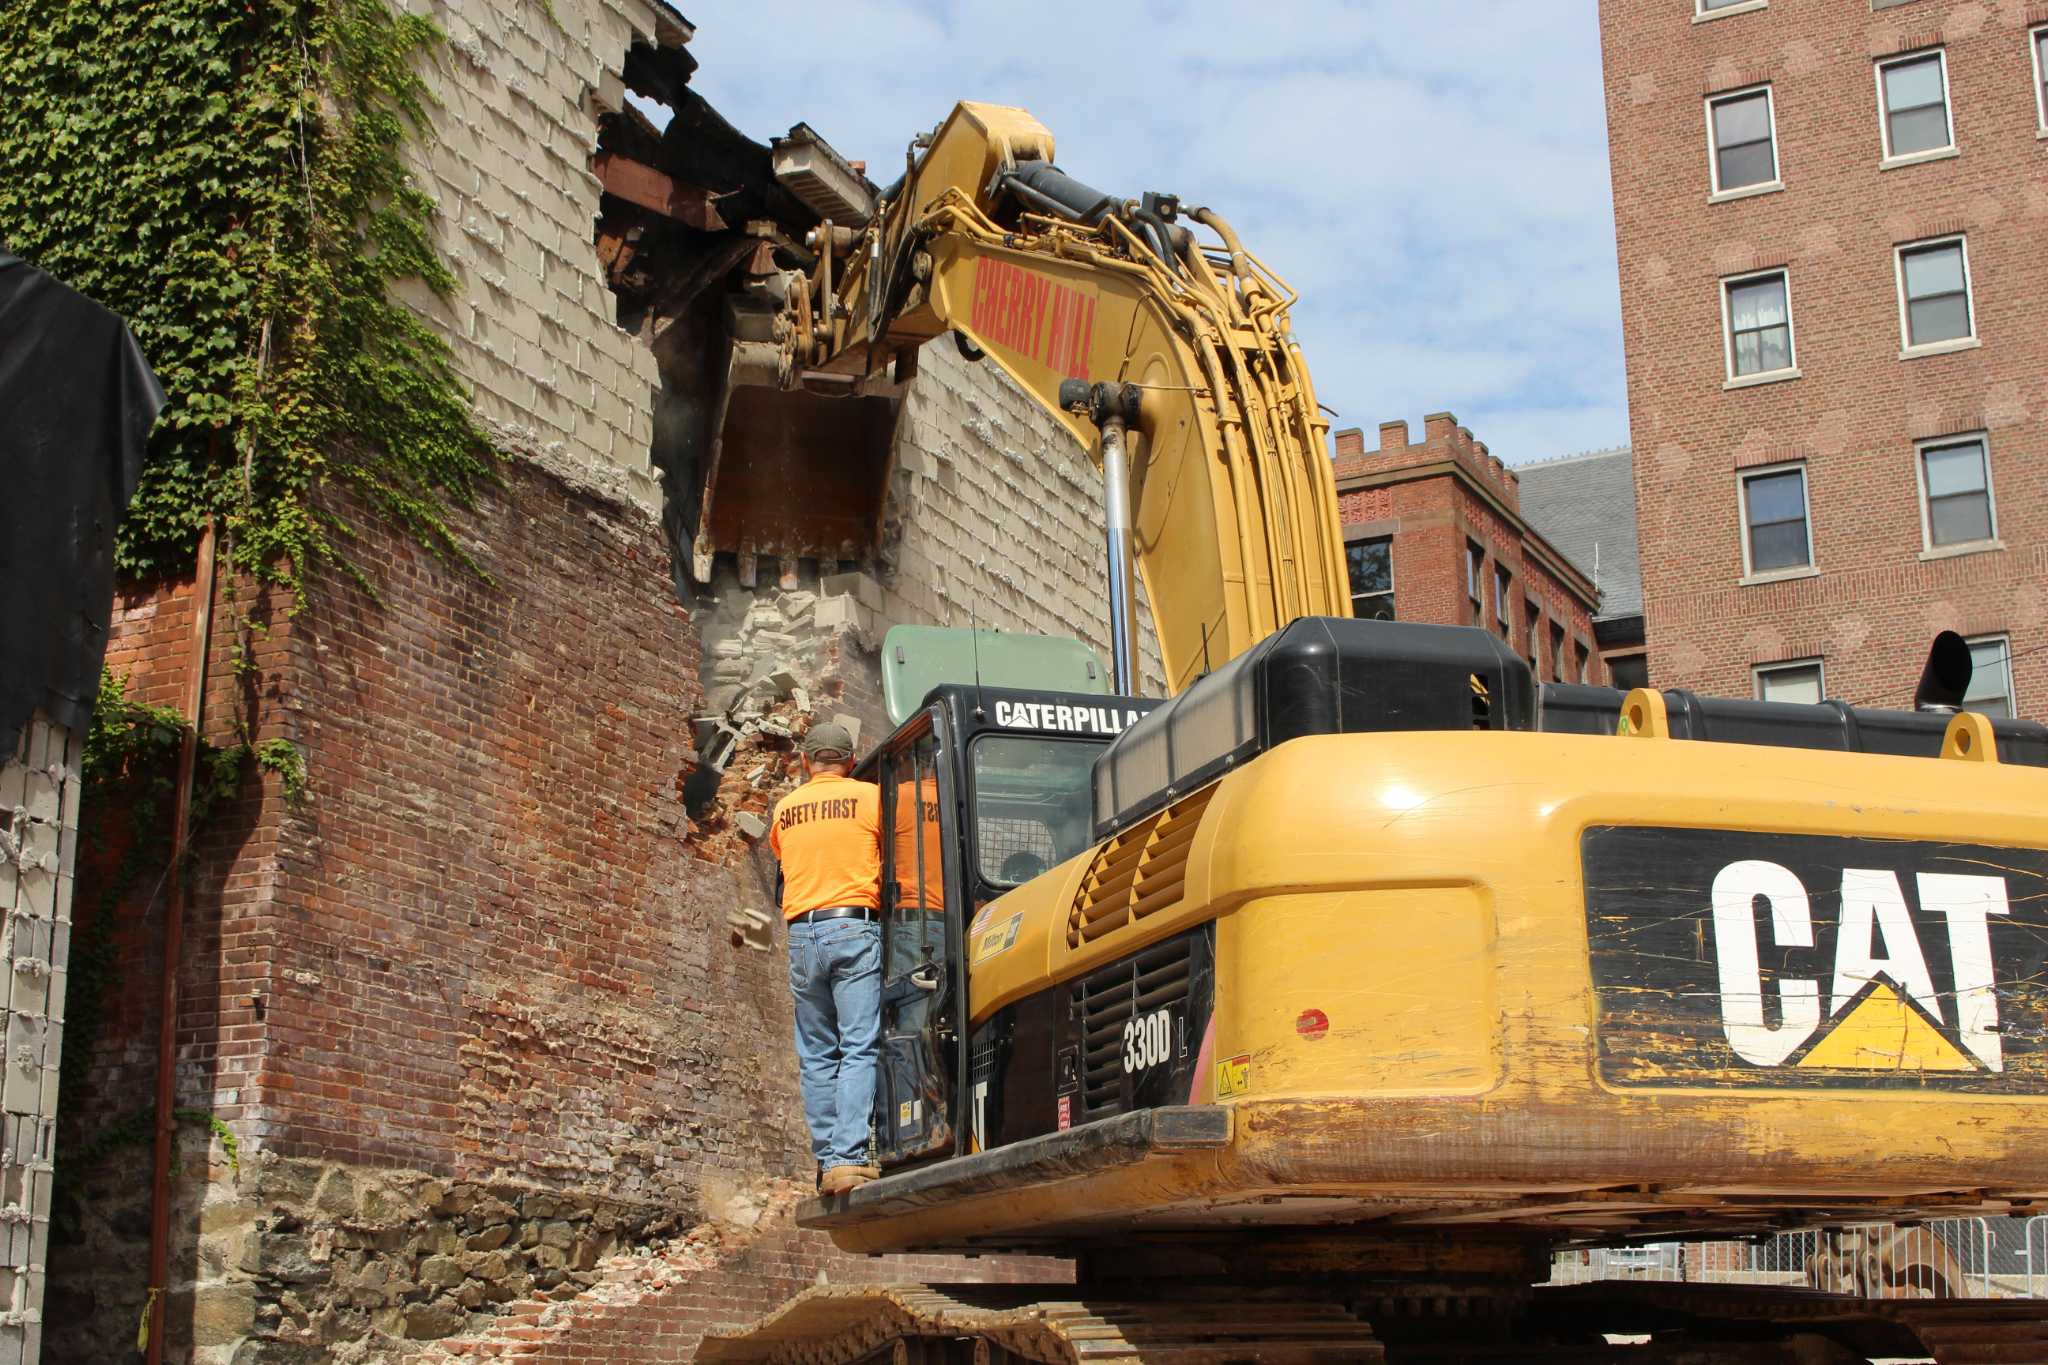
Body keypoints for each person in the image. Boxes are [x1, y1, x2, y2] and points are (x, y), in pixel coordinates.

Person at [768, 721, 883, 1197]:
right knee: (858, 1045)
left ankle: (826, 1159)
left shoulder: (785, 809)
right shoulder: (870, 798)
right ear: (851, 762)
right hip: (852, 926)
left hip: (802, 934)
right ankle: (850, 1156)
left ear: (805, 763)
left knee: (817, 1053)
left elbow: (783, 857)